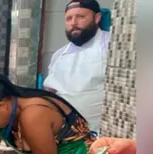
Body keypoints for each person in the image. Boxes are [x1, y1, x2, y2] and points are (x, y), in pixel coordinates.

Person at [43, 0, 110, 131]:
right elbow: (50, 91)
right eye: (69, 18)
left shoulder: (112, 46)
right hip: (66, 135)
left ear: (97, 18)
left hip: (101, 135)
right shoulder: (59, 55)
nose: (73, 23)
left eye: (80, 17)